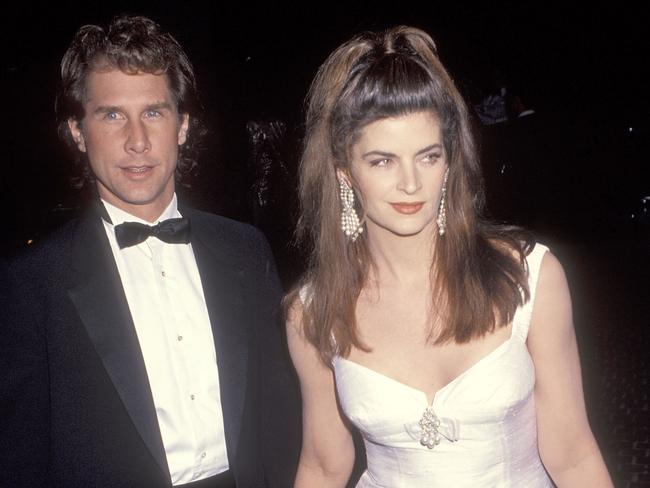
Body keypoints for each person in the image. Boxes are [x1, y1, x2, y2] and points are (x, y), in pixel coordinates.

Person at [286, 26, 612, 487]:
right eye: (382, 160)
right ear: (345, 171)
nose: (411, 183)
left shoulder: (528, 277)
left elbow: (573, 455)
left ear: (449, 161)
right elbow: (322, 465)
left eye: (428, 156)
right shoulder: (313, 313)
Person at [0, 15, 299, 488]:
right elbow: (20, 459)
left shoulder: (246, 250)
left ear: (182, 126)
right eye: (112, 114)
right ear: (78, 133)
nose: (137, 141)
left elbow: (282, 417)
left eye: (154, 113)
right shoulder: (30, 283)